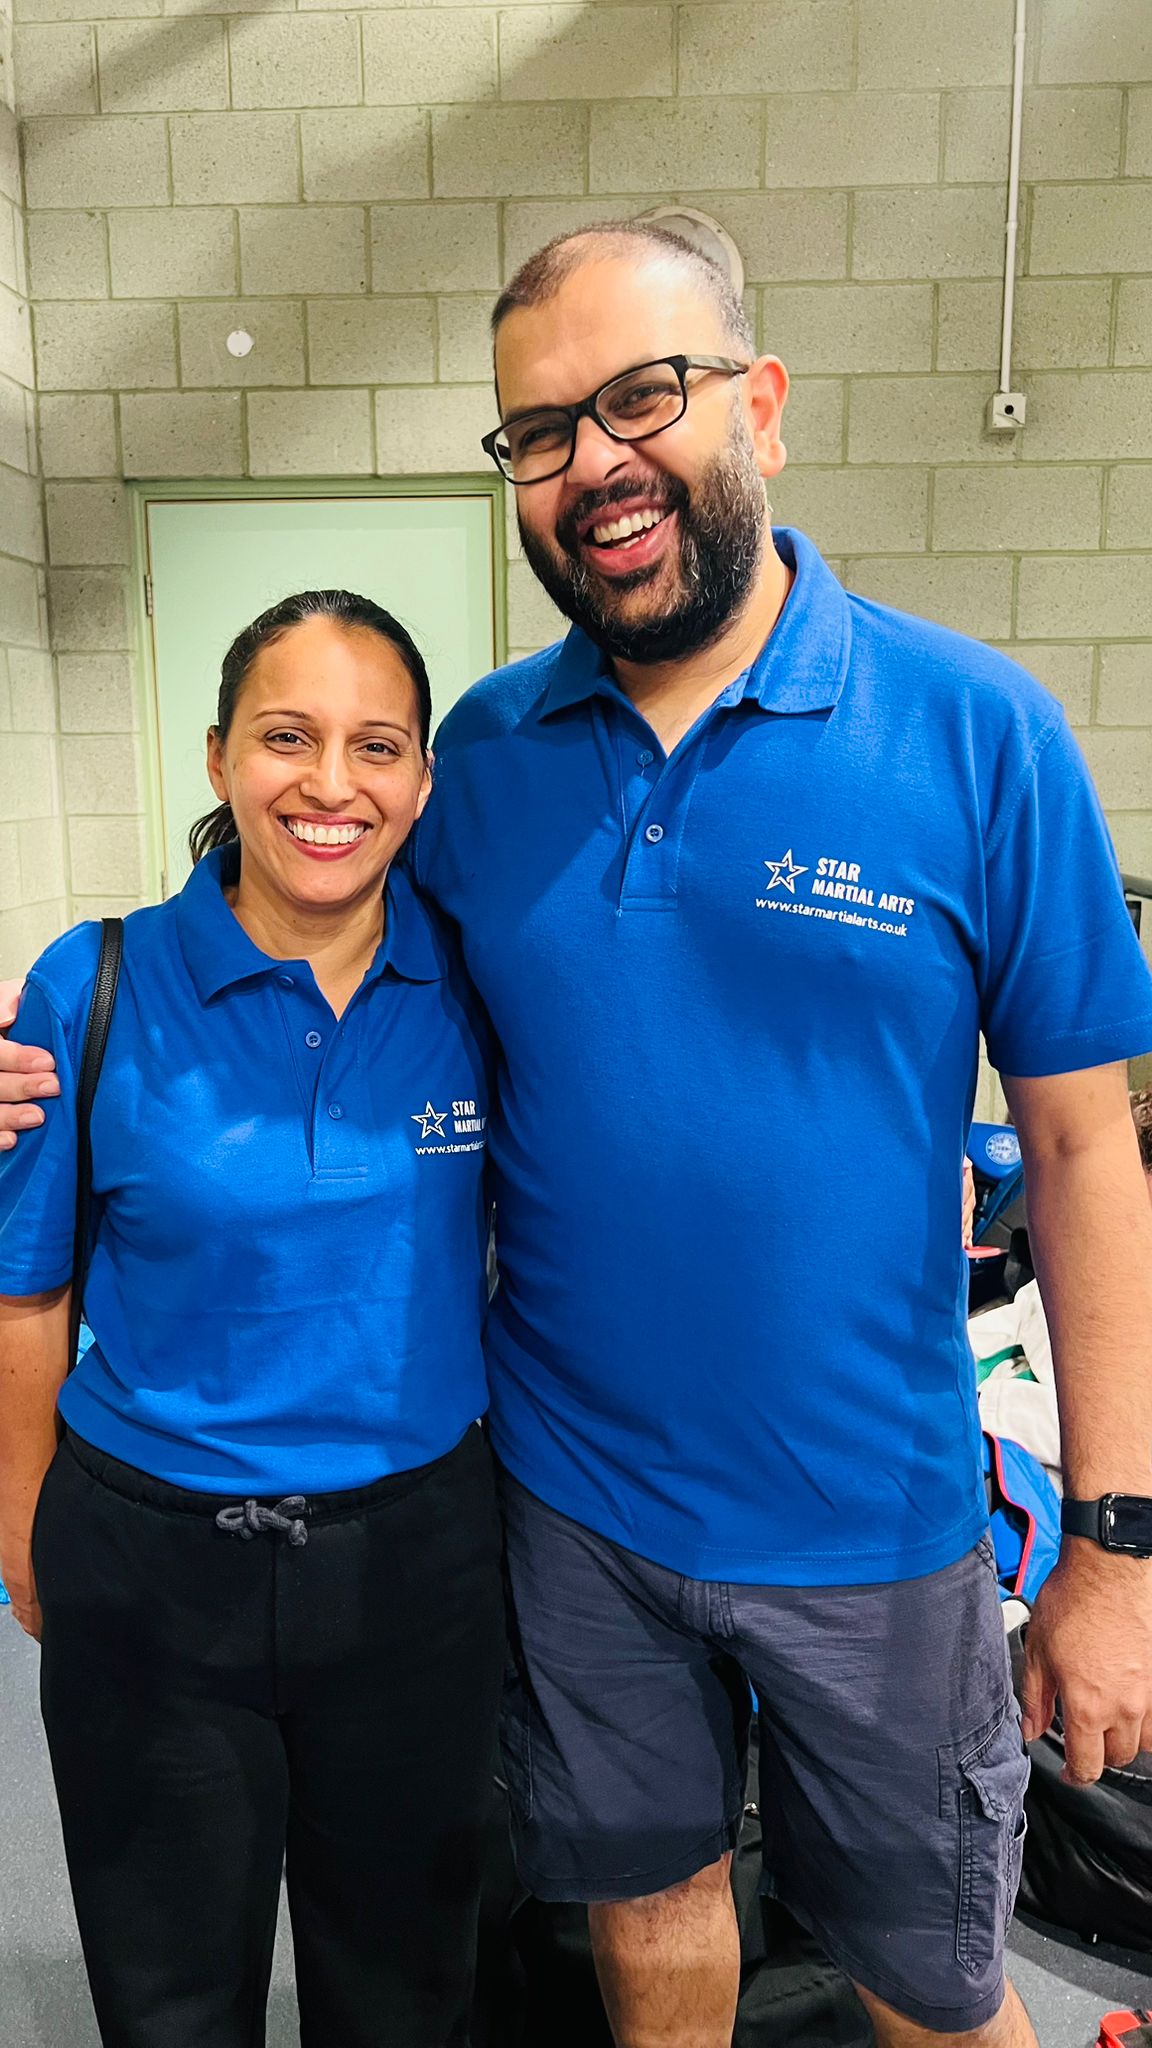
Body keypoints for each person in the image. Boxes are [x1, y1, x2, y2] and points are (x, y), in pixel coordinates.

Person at [4, 222, 1152, 2048]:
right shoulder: (483, 760)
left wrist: (1112, 1548)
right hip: (570, 1518)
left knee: (931, 1978)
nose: (594, 461)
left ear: (761, 402)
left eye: (643, 397)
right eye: (541, 430)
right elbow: (296, 932)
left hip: (872, 1518)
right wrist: (48, 1045)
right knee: (649, 1921)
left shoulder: (976, 732)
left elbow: (1088, 1158)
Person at [0, 590, 503, 2048]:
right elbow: (28, 1291)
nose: (331, 784)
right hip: (151, 1572)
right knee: (169, 1997)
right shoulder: (93, 984)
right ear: (220, 756)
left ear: (423, 780)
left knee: (406, 1992)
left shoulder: (480, 983)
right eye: (288, 737)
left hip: (417, 1568)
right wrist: (24, 1534)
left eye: (377, 746)